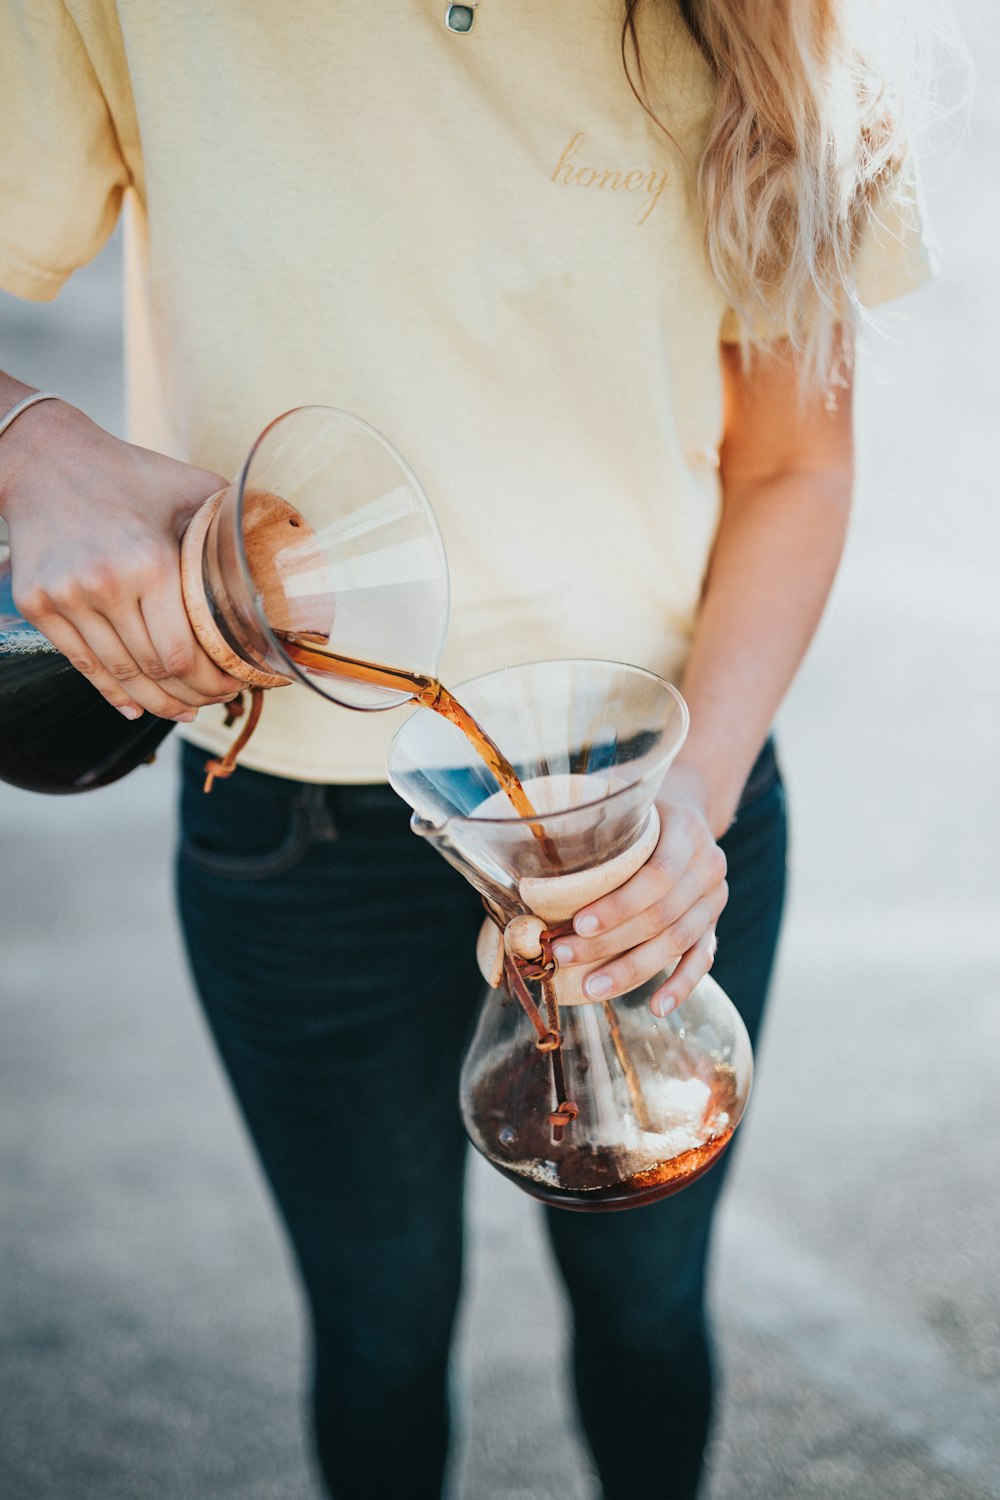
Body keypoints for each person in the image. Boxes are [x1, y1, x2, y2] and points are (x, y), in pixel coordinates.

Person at [0, 2, 934, 1496]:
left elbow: (795, 459)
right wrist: (29, 440)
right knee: (377, 1335)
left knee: (647, 1306)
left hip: (662, 816)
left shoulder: (770, 23)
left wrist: (689, 807)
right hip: (300, 830)